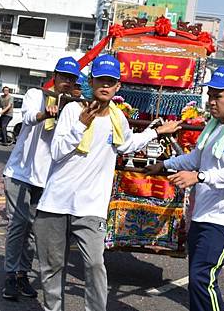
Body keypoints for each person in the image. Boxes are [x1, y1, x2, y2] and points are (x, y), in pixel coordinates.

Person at [34, 54, 181, 311]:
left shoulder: (117, 118)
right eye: (100, 79)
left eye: (110, 81)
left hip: (90, 208)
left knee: (94, 265)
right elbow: (56, 152)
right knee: (51, 268)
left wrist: (156, 131)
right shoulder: (72, 110)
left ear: (117, 87)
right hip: (55, 204)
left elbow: (127, 143)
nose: (105, 85)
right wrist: (81, 125)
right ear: (91, 82)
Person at [145, 67, 224, 311]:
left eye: (218, 96)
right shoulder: (215, 127)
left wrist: (198, 177)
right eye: (210, 95)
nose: (211, 101)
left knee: (203, 277)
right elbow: (194, 159)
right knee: (197, 281)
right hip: (203, 214)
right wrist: (163, 165)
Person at [1, 56, 80, 301]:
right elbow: (27, 117)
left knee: (35, 229)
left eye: (72, 78)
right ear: (54, 76)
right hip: (21, 173)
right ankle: (11, 275)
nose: (67, 82)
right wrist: (44, 114)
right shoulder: (38, 95)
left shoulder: (75, 107)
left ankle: (23, 274)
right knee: (18, 224)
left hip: (47, 179)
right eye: (63, 76)